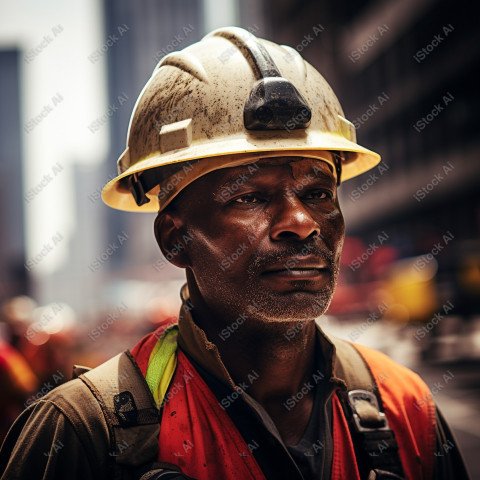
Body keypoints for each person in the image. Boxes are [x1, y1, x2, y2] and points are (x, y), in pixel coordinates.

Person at [0, 27, 469, 480]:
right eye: (250, 198)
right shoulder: (82, 432)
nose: (301, 223)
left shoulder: (404, 406)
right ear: (174, 238)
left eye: (319, 194)